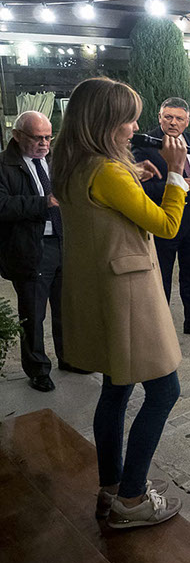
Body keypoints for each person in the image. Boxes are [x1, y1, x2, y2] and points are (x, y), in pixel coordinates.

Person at [52, 77, 187, 527]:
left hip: (103, 292)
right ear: (105, 122)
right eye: (127, 120)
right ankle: (132, 500)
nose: (134, 128)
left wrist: (133, 174)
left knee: (116, 388)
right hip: (129, 296)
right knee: (165, 390)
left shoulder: (74, 164)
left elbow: (106, 198)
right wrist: (175, 174)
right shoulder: (108, 172)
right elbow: (166, 225)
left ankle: (111, 487)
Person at [0, 111, 81, 392]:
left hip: (62, 242)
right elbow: (2, 205)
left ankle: (69, 357)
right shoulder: (4, 165)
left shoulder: (54, 159)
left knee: (66, 308)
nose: (44, 143)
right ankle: (37, 369)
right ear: (17, 136)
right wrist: (43, 203)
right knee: (33, 314)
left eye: (48, 137)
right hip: (29, 247)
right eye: (37, 138)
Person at [132, 98, 190, 337]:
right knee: (161, 277)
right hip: (163, 222)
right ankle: (160, 330)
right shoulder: (146, 145)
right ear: (160, 117)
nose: (173, 122)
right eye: (168, 117)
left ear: (187, 121)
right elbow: (141, 189)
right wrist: (176, 184)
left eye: (179, 118)